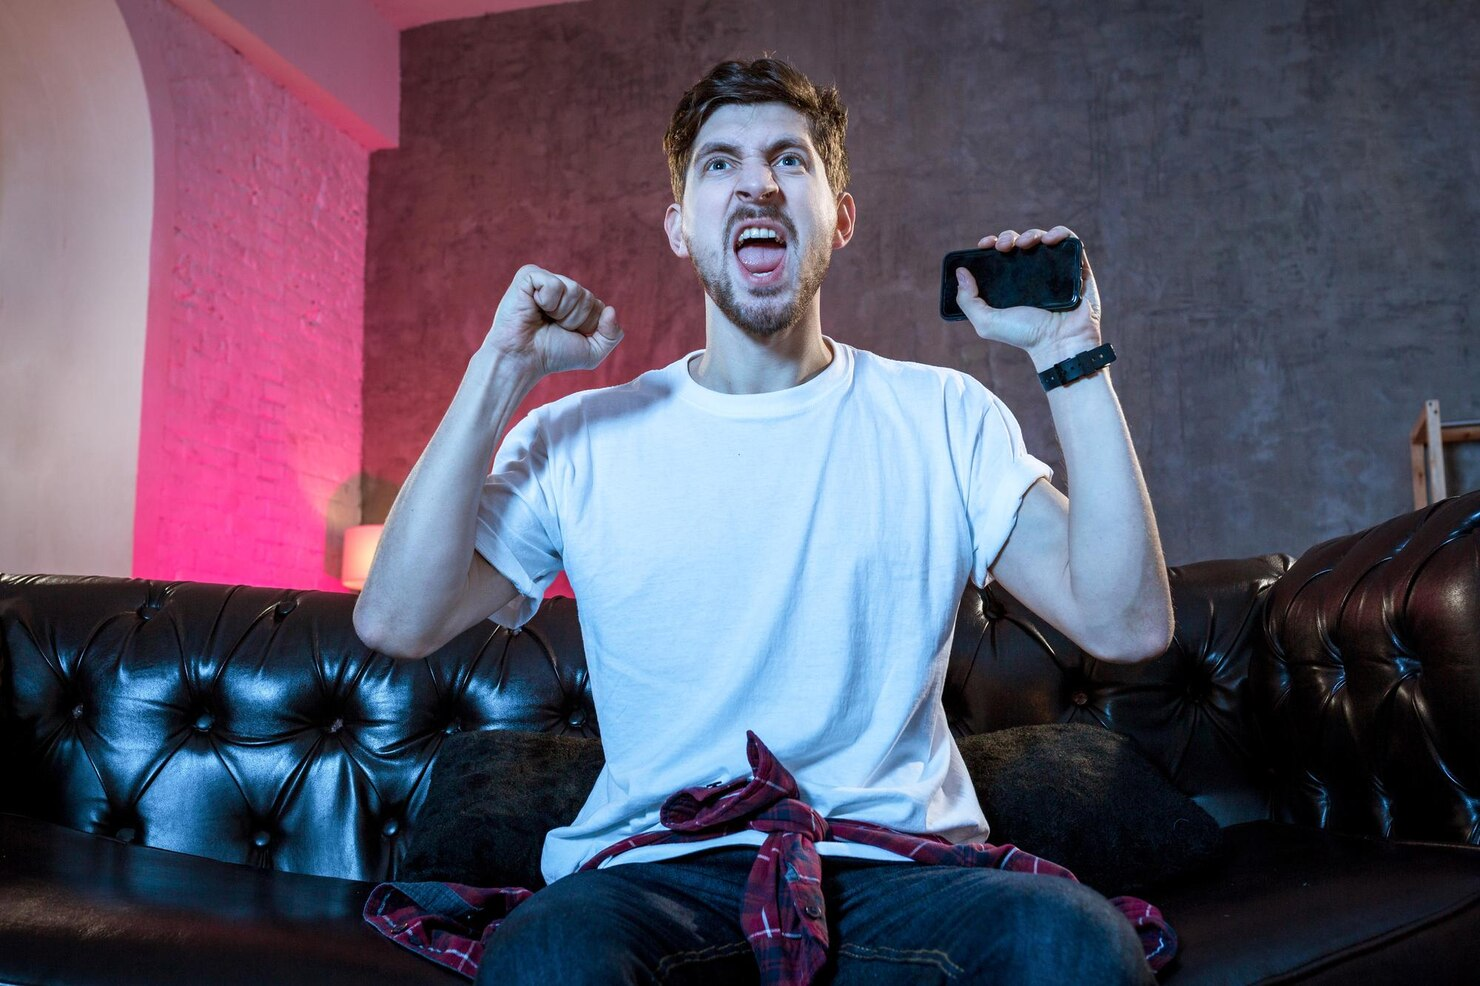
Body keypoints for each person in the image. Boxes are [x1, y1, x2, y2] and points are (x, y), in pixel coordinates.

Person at [355, 57, 1173, 986]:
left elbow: (1127, 624)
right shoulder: (578, 439)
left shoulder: (944, 417)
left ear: (841, 217)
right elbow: (397, 620)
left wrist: (1071, 351)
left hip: (896, 869)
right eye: (720, 164)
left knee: (1074, 944)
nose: (758, 184)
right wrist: (500, 369)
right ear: (680, 227)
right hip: (652, 875)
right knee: (548, 955)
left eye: (790, 159)